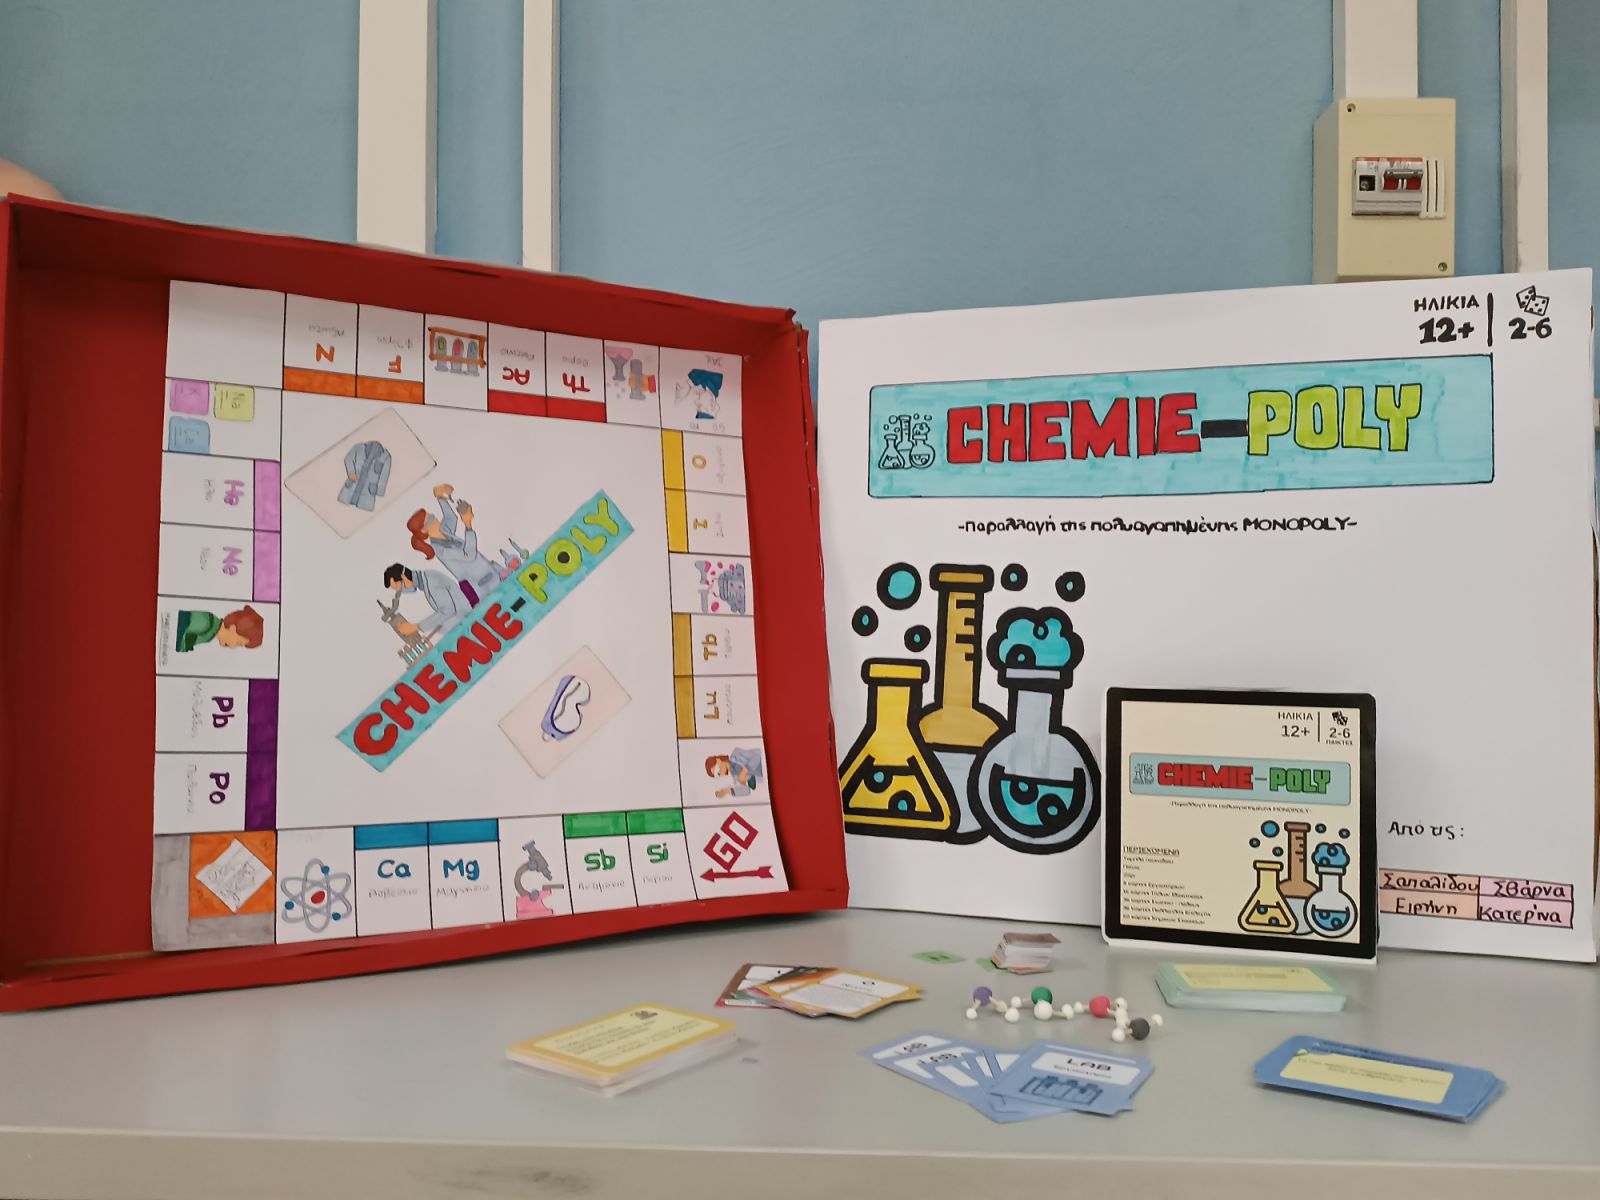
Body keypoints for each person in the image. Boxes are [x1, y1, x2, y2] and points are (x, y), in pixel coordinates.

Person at [405, 483, 501, 605]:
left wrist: (440, 497)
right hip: (481, 586)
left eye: (433, 516)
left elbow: (451, 517)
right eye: (431, 519)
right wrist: (468, 525)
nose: (436, 519)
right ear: (424, 530)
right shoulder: (440, 550)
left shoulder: (444, 531)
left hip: (488, 575)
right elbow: (469, 555)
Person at [382, 563, 470, 638]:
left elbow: (447, 610)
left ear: (403, 577)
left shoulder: (430, 580)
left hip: (466, 622)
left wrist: (416, 627)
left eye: (398, 587)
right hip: (460, 623)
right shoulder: (426, 579)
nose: (400, 591)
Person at [175, 605, 265, 652]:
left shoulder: (210, 634)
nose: (232, 647)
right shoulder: (207, 623)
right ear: (233, 628)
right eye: (238, 643)